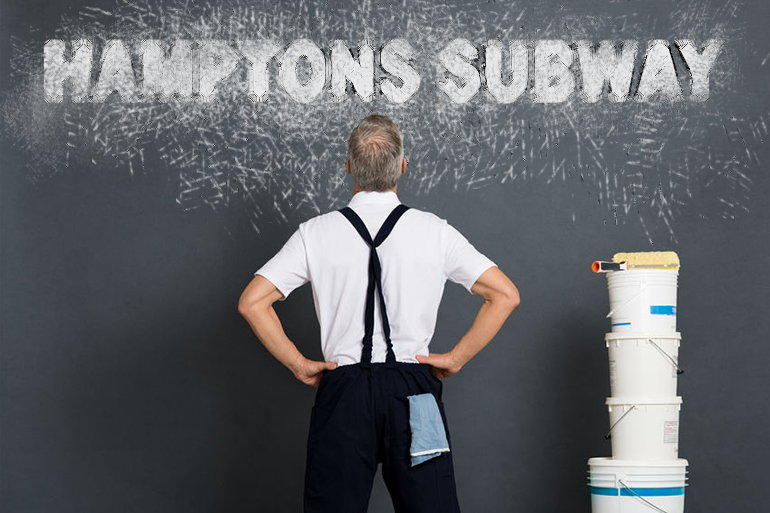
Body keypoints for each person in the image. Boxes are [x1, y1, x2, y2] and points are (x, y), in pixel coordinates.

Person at [238, 114, 520, 512]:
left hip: (343, 393)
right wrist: (455, 359)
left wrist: (299, 364)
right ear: (402, 166)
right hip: (415, 390)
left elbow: (252, 302)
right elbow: (505, 295)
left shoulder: (315, 233)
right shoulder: (434, 231)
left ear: (349, 165)